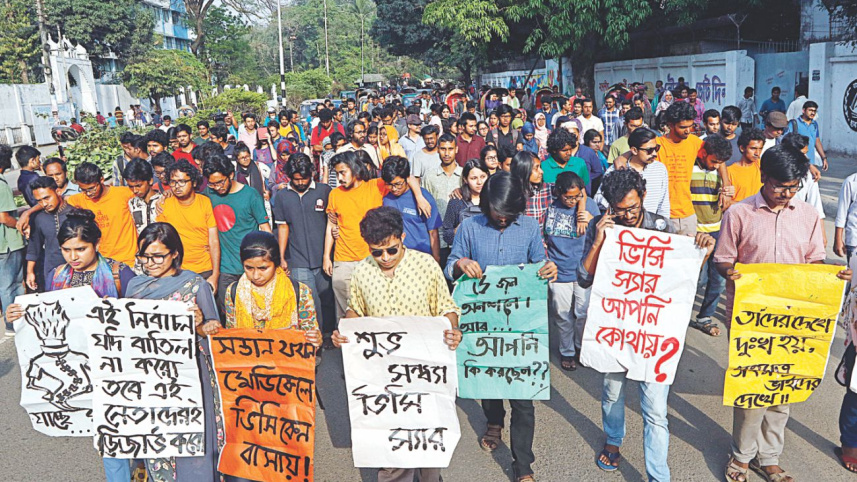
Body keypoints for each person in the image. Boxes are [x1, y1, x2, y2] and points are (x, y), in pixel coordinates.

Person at [716, 145, 851, 482]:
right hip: (751, 320)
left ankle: (770, 456)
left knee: (782, 390)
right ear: (764, 178)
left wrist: (831, 277)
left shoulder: (807, 215)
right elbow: (722, 258)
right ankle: (741, 457)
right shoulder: (739, 214)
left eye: (793, 187)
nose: (786, 193)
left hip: (794, 320)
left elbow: (814, 262)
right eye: (780, 186)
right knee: (752, 390)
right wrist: (729, 271)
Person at [577, 168, 714, 480]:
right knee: (612, 393)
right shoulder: (603, 227)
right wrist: (599, 239)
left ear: (643, 199)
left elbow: (681, 280)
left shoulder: (662, 227)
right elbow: (584, 277)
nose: (627, 215)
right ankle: (613, 440)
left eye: (633, 208)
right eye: (619, 209)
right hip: (615, 330)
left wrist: (702, 252)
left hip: (652, 336)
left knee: (655, 410)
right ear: (609, 205)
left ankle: (658, 475)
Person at [332, 206, 461, 482]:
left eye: (392, 249)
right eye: (377, 252)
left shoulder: (426, 264)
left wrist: (453, 329)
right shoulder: (363, 271)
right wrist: (345, 330)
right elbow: (356, 310)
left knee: (428, 450)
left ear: (402, 237)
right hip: (384, 380)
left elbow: (447, 307)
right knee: (393, 455)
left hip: (425, 375)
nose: (385, 258)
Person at [6, 209, 135, 478]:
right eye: (66, 250)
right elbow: (50, 317)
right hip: (84, 371)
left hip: (120, 369)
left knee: (131, 434)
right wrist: (18, 315)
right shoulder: (56, 276)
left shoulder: (119, 274)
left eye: (80, 249)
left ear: (97, 244)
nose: (73, 257)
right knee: (109, 439)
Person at [446, 172, 557, 482]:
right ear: (487, 206)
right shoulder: (469, 226)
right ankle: (494, 422)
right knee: (489, 382)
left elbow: (539, 262)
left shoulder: (531, 227)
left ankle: (523, 466)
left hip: (521, 327)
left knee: (524, 398)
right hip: (483, 324)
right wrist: (460, 264)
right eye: (498, 214)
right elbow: (450, 262)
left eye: (510, 214)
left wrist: (548, 268)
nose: (504, 219)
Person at [124, 222, 223, 482]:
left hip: (190, 380)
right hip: (151, 382)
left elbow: (215, 332)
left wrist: (200, 324)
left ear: (175, 254)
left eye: (158, 256)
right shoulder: (134, 287)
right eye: (145, 256)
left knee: (193, 445)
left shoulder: (195, 285)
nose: (151, 262)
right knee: (159, 440)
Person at [324, 151, 428, 323]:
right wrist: (326, 256)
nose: (339, 177)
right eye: (336, 173)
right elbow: (331, 225)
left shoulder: (375, 186)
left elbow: (404, 176)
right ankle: (347, 349)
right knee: (345, 315)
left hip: (374, 259)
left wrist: (419, 197)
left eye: (343, 172)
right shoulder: (334, 194)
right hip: (343, 260)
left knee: (374, 311)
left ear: (355, 169)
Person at [273, 153, 335, 337]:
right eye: (296, 179)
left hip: (323, 256)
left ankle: (329, 334)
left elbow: (332, 223)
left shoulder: (324, 191)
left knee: (327, 299)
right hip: (298, 258)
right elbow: (282, 227)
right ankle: (313, 340)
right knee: (309, 301)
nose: (300, 183)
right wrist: (282, 257)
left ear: (312, 174)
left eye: (304, 178)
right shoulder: (283, 196)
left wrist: (328, 255)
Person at [544, 171, 599, 371]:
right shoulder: (548, 204)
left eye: (577, 197)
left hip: (583, 270)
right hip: (558, 270)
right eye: (568, 197)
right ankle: (566, 351)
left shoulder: (589, 205)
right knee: (562, 313)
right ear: (558, 192)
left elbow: (603, 233)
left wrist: (592, 219)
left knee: (583, 312)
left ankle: (580, 346)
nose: (572, 201)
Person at [204, 154, 271, 308]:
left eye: (220, 182)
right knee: (229, 315)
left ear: (231, 175)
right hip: (225, 269)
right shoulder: (209, 194)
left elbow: (266, 229)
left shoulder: (251, 195)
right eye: (212, 184)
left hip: (251, 268)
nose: (217, 187)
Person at [657, 101, 729, 235]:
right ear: (671, 125)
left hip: (688, 215)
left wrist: (726, 188)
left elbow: (717, 156)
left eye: (691, 126)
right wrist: (623, 158)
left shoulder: (694, 142)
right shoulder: (657, 145)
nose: (688, 130)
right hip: (663, 214)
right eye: (683, 127)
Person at [689, 134, 734, 337]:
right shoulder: (689, 168)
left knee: (718, 280)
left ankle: (704, 317)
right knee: (696, 278)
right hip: (694, 231)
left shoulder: (721, 173)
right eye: (713, 161)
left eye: (720, 163)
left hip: (717, 229)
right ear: (703, 153)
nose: (716, 166)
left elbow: (729, 197)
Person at [157, 159, 220, 289]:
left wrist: (215, 275)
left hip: (204, 269)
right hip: (177, 271)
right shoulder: (165, 205)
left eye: (182, 181)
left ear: (194, 182)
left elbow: (213, 241)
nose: (177, 186)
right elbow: (161, 241)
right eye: (173, 182)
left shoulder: (205, 202)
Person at [596, 128, 670, 218]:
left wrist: (662, 224)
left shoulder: (660, 169)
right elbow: (599, 198)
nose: (654, 153)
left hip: (651, 226)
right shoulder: (616, 170)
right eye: (649, 150)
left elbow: (663, 204)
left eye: (656, 148)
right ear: (634, 150)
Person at [381, 156, 442, 262]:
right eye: (389, 185)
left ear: (407, 179)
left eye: (398, 184)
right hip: (397, 259)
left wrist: (436, 259)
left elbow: (433, 233)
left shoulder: (424, 199)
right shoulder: (386, 199)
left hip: (422, 257)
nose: (394, 189)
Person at [422, 134, 463, 260]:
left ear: (456, 149)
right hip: (438, 238)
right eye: (443, 149)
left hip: (461, 236)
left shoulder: (465, 175)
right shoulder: (430, 176)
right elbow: (425, 206)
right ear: (438, 150)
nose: (446, 153)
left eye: (450, 149)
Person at [25, 176, 69, 291]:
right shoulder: (39, 219)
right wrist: (30, 272)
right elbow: (34, 248)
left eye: (47, 198)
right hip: (52, 272)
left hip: (79, 270)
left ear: (58, 191)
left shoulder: (74, 213)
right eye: (39, 200)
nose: (44, 204)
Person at [0, 145, 24, 334]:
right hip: (8, 243)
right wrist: (21, 224)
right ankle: (13, 323)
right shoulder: (1, 184)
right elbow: (4, 217)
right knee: (12, 284)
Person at [442, 159, 488, 246]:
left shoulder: (494, 199)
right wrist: (458, 230)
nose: (479, 182)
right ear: (465, 180)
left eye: (483, 177)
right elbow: (446, 235)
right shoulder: (456, 202)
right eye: (473, 178)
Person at [541, 128, 590, 192]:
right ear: (554, 150)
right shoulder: (543, 167)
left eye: (570, 149)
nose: (569, 153)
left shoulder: (580, 163)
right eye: (564, 150)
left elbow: (584, 188)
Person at [124, 158, 163, 239]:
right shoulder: (130, 203)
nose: (135, 190)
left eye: (138, 186)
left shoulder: (163, 200)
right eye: (131, 186)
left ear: (150, 181)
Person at [784, 100, 827, 170]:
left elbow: (817, 141)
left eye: (814, 111)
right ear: (803, 110)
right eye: (810, 110)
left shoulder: (814, 124)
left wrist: (824, 158)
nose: (813, 113)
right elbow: (786, 141)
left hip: (811, 161)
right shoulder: (794, 124)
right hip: (797, 162)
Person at [728, 128, 766, 203]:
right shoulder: (729, 172)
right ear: (742, 148)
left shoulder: (762, 165)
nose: (757, 153)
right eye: (753, 148)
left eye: (760, 149)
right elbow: (727, 202)